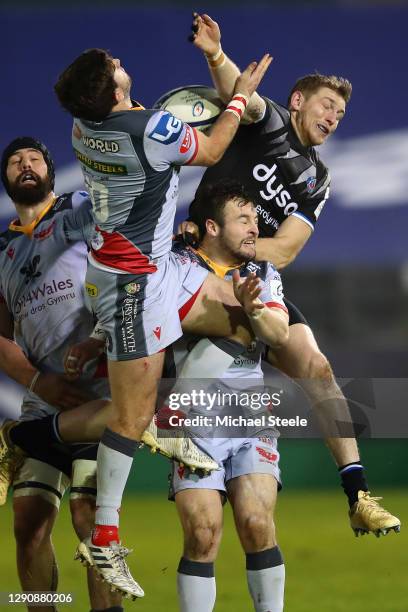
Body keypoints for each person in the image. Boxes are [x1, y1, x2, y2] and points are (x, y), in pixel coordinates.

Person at [53, 48, 282, 598]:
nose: (115, 58)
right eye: (110, 65)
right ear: (112, 90)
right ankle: (103, 533)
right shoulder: (145, 129)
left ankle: (197, 422)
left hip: (138, 269)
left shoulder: (84, 128)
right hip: (134, 287)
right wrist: (235, 101)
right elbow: (212, 148)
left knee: (240, 320)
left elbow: (152, 130)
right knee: (129, 418)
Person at [185, 13, 400, 536]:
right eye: (328, 105)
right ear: (299, 101)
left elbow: (285, 250)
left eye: (343, 114)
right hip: (194, 264)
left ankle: (358, 495)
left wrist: (243, 245)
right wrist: (215, 54)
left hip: (255, 277)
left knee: (317, 368)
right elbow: (245, 95)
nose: (334, 118)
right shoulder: (271, 121)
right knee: (127, 361)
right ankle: (42, 437)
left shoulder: (318, 179)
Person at [0, 137, 123, 612]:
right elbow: (2, 339)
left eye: (34, 158)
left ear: (51, 171)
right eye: (15, 161)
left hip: (97, 392)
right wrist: (39, 382)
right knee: (28, 522)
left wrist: (101, 338)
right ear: (7, 179)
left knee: (88, 514)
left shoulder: (78, 211)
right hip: (43, 400)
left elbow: (122, 269)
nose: (25, 165)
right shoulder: (3, 250)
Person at [168, 179, 287, 612]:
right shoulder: (178, 267)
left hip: (250, 414)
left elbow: (279, 332)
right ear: (212, 227)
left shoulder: (263, 274)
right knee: (203, 532)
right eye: (244, 219)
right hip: (195, 419)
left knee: (257, 524)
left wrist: (254, 310)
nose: (255, 228)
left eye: (256, 219)